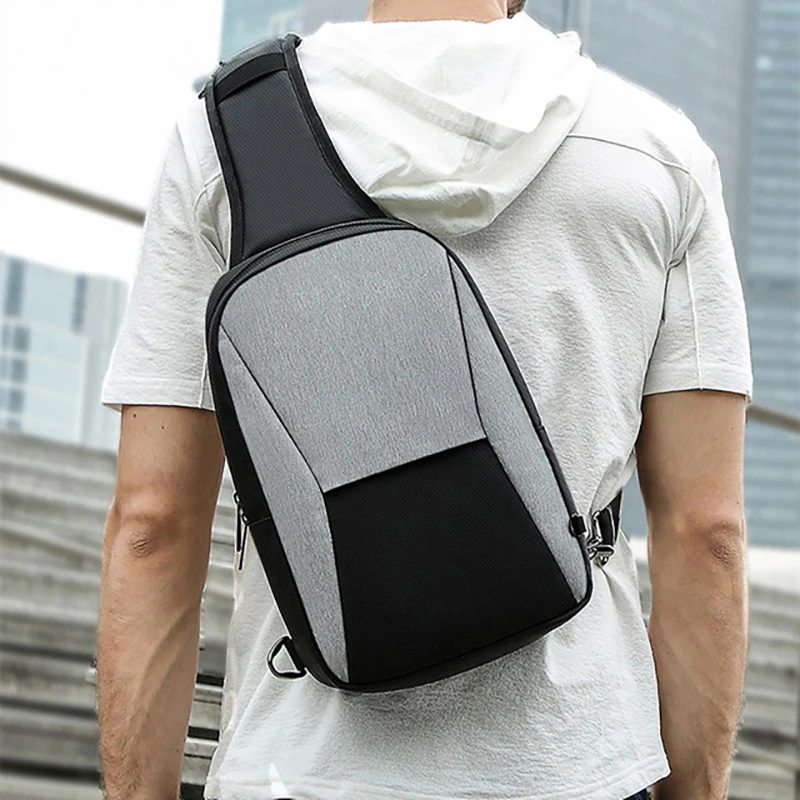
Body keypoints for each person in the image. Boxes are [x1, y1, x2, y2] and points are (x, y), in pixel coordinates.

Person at [96, 1, 752, 798]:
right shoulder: (657, 155)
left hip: (302, 769)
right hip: (576, 763)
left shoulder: (226, 137)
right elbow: (705, 534)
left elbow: (154, 525)